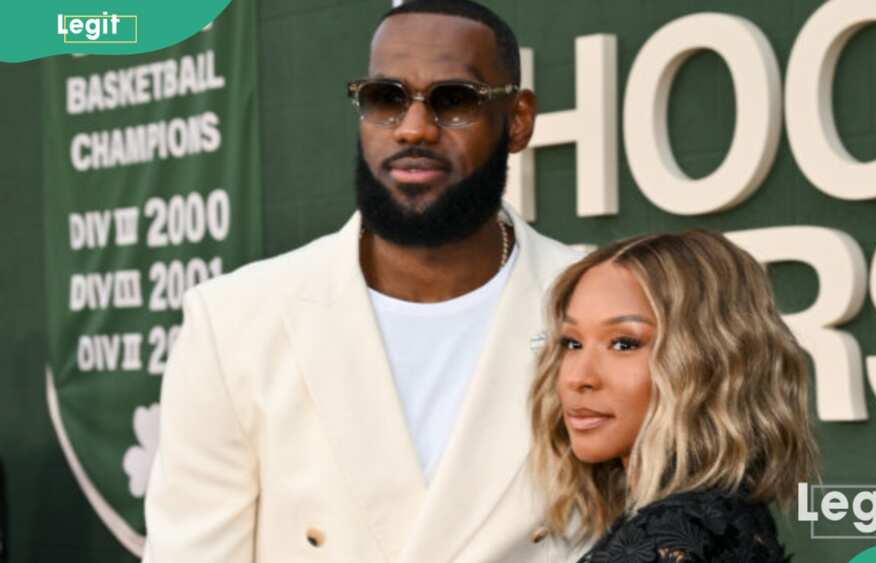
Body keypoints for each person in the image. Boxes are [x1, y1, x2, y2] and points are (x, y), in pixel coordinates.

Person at [142, 1, 584, 561]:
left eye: (454, 100)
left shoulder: (595, 303)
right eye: (386, 98)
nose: (414, 128)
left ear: (518, 120)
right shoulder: (235, 322)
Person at [528, 231, 820, 563]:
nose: (578, 377)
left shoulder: (672, 535)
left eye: (624, 343)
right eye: (572, 342)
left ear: (711, 361)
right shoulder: (720, 519)